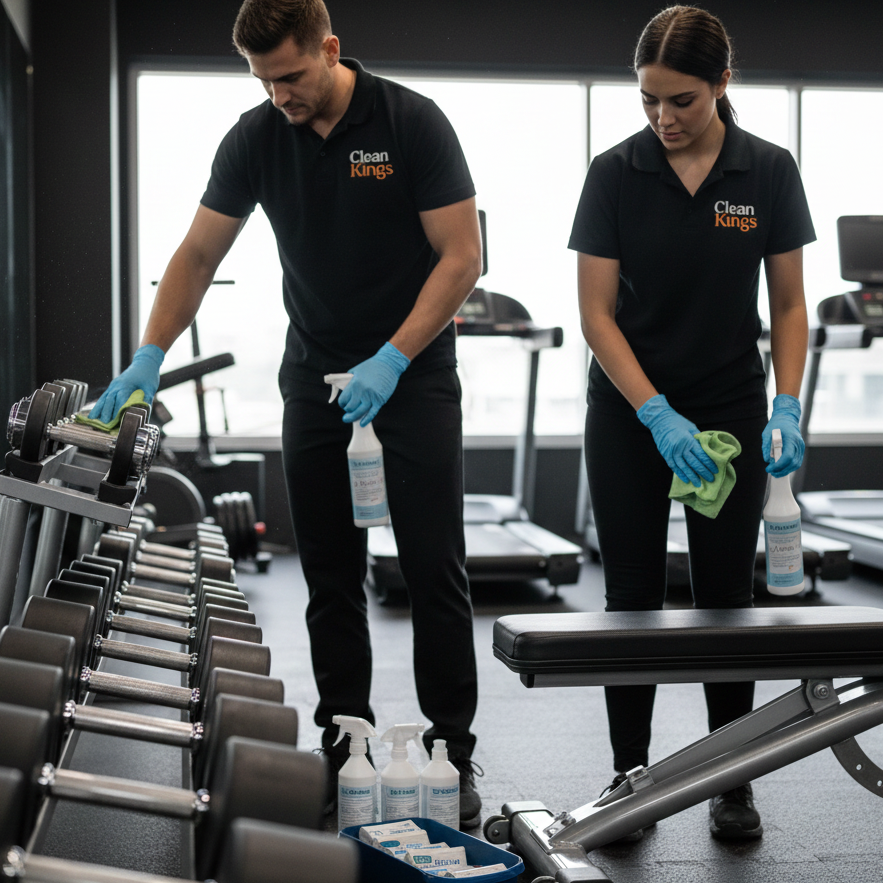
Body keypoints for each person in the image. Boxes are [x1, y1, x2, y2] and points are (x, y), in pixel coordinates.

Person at [90, 0, 485, 827]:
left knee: (432, 567)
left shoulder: (411, 122)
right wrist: (148, 355)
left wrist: (393, 356)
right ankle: (345, 737)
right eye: (264, 80)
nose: (280, 95)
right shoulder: (254, 138)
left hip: (411, 375)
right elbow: (198, 253)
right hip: (313, 377)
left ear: (330, 49)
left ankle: (454, 748)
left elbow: (460, 258)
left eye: (292, 76)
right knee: (329, 571)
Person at [570, 5, 814, 842]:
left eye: (680, 100)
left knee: (723, 600)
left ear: (721, 84)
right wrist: (652, 411)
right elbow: (596, 315)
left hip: (728, 409)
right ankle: (628, 777)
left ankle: (729, 777)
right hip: (631, 409)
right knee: (631, 598)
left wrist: (786, 400)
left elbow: (787, 302)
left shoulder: (766, 172)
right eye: (647, 101)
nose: (662, 118)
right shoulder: (614, 172)